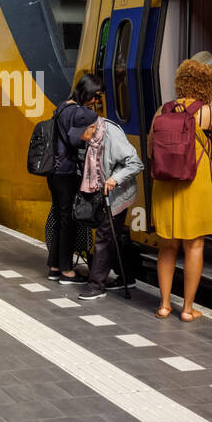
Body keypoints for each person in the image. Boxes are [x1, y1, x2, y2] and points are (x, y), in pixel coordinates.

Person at [150, 58, 212, 321]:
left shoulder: (163, 109)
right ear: (209, 85)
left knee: (167, 246)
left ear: (181, 82)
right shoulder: (208, 113)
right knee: (194, 245)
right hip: (195, 184)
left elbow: (152, 147)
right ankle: (187, 309)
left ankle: (163, 305)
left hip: (165, 184)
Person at [71, 105, 144, 301]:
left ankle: (96, 286)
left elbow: (136, 163)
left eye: (81, 133)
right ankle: (126, 277)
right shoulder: (94, 138)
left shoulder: (112, 137)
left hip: (117, 194)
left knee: (104, 236)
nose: (80, 137)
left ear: (93, 126)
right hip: (101, 194)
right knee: (112, 235)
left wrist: (115, 179)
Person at [47, 73, 104, 284]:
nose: (96, 102)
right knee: (68, 222)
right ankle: (66, 271)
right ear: (87, 91)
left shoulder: (62, 107)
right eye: (96, 96)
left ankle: (54, 266)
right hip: (66, 173)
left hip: (53, 173)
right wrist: (93, 117)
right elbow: (77, 138)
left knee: (59, 220)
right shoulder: (80, 113)